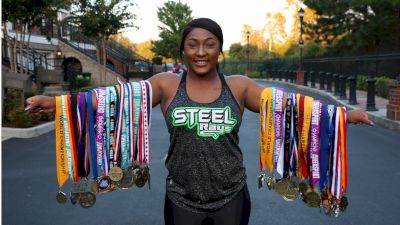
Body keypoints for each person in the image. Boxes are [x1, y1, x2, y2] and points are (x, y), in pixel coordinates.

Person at [26, 18, 372, 225]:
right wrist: (56, 104)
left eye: (209, 44)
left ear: (220, 49)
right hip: (181, 198)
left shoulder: (237, 87)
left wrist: (343, 115)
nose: (201, 51)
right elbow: (112, 100)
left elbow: (291, 106)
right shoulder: (165, 84)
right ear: (183, 52)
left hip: (231, 196)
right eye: (193, 45)